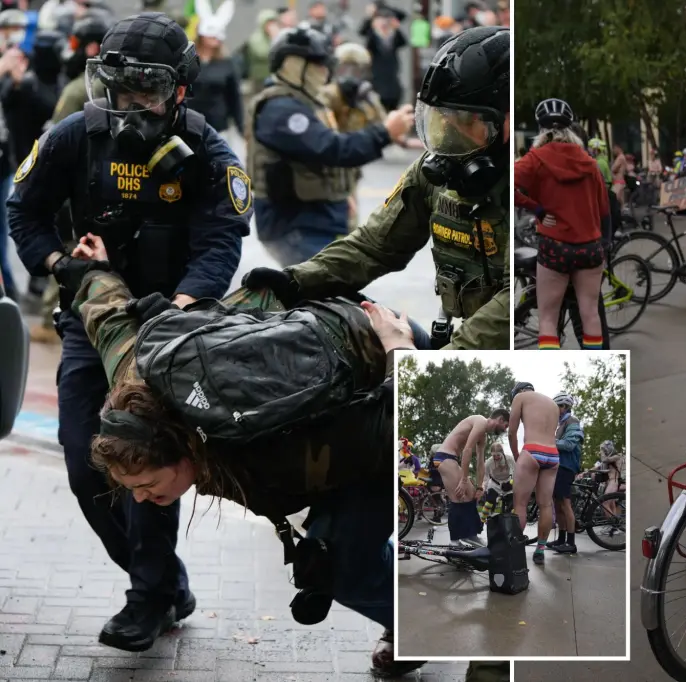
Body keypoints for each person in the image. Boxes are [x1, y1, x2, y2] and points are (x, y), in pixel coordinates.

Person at [65, 230, 431, 677]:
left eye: (146, 485)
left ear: (183, 452)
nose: (139, 499)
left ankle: (424, 625)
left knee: (339, 566)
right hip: (335, 391)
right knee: (332, 553)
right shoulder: (136, 374)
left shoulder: (269, 443)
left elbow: (397, 422)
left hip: (389, 368)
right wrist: (95, 269)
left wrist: (401, 350)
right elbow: (109, 319)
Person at [7, 12, 252, 652]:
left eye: (146, 91)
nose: (131, 105)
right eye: (120, 90)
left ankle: (147, 600)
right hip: (93, 322)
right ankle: (168, 584)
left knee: (146, 458)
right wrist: (58, 265)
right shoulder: (75, 138)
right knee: (86, 462)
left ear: (178, 91)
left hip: (167, 327)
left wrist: (184, 302)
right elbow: (23, 207)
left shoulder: (208, 152)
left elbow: (223, 238)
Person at [242, 26, 511, 351]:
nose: (451, 134)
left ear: (507, 123)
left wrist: (411, 358)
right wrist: (298, 280)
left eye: (466, 122)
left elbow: (511, 305)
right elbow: (373, 246)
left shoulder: (529, 189)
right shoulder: (435, 173)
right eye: (444, 121)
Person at [246, 24, 414, 267]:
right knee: (327, 294)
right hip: (297, 227)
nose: (325, 72)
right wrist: (385, 133)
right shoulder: (281, 110)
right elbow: (334, 149)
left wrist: (343, 195)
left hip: (318, 219)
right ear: (293, 65)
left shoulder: (307, 102)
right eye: (318, 64)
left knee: (336, 292)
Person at [25, 9, 111, 345]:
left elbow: (54, 140)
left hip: (77, 183)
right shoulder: (99, 83)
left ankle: (50, 320)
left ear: (90, 47)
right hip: (94, 182)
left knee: (67, 249)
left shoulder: (79, 88)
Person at [514, 98, 608, 351]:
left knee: (548, 318)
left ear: (541, 129)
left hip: (555, 246)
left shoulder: (535, 158)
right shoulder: (589, 162)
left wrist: (537, 209)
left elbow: (509, 186)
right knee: (590, 314)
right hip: (590, 247)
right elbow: (603, 208)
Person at [321, 41, 389, 223]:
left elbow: (384, 127)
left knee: (350, 220)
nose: (349, 75)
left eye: (355, 70)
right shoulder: (327, 96)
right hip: (329, 167)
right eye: (344, 69)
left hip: (351, 167)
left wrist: (366, 103)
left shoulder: (366, 98)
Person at [432, 409, 510, 543]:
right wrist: (463, 480)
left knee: (472, 494)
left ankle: (471, 534)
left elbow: (480, 462)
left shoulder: (483, 435)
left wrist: (480, 487)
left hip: (451, 458)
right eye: (506, 425)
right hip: (444, 457)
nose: (505, 429)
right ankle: (455, 541)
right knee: (458, 496)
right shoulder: (480, 421)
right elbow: (467, 450)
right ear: (500, 420)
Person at [507, 382, 560, 564]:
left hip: (531, 451)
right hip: (553, 455)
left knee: (520, 504)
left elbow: (511, 431)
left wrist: (517, 455)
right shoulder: (553, 405)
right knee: (545, 505)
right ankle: (540, 549)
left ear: (518, 391)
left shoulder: (520, 397)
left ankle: (514, 549)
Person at [186, 0, 243, 134]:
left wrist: (241, 128)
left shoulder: (227, 64)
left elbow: (234, 97)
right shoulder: (187, 62)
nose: (215, 38)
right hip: (190, 124)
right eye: (211, 34)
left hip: (218, 126)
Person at [549, 392, 583, 555]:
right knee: (557, 504)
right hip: (559, 466)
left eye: (556, 407)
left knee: (565, 504)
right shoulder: (560, 424)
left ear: (563, 407)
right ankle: (561, 539)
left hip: (567, 466)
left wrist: (549, 442)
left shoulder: (572, 421)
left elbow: (569, 444)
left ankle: (571, 542)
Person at [360, 3, 405, 112]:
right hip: (376, 81)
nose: (384, 24)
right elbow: (363, 32)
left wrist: (393, 23)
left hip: (392, 83)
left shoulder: (393, 38)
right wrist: (370, 17)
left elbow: (403, 40)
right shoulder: (373, 38)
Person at [235, 9, 278, 97]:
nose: (272, 26)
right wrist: (275, 38)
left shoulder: (278, 36)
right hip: (259, 79)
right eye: (269, 23)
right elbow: (262, 54)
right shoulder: (256, 38)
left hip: (274, 77)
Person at [479, 441, 513, 522]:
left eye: (498, 455)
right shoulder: (488, 462)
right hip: (494, 484)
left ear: (502, 453)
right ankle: (484, 520)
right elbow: (486, 477)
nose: (496, 457)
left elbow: (516, 472)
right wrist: (484, 489)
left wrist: (511, 483)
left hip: (507, 482)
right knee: (489, 502)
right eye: (494, 455)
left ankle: (508, 521)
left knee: (512, 504)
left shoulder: (509, 459)